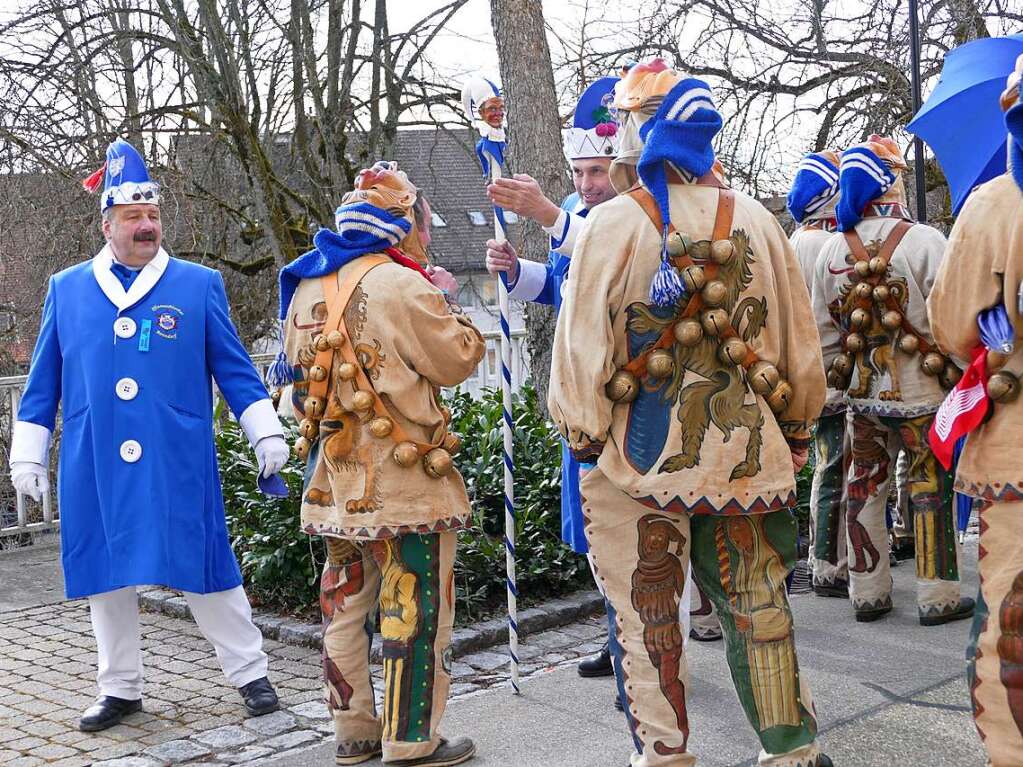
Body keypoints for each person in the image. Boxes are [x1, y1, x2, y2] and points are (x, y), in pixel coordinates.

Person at [548, 58, 831, 767]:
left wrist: (582, 436)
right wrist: (795, 431)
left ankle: (666, 756)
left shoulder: (608, 226)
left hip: (633, 461)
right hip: (747, 454)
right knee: (757, 605)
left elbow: (580, 354)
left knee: (645, 618)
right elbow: (799, 349)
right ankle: (790, 751)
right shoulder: (760, 221)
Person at [8, 139, 288, 731]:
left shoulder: (197, 285)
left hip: (175, 454)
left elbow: (236, 371)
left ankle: (251, 674)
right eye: (133, 216)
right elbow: (42, 382)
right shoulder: (68, 288)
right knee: (104, 571)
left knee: (204, 561)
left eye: (153, 215)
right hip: (94, 456)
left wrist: (265, 432)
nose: (146, 226)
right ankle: (121, 688)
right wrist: (28, 452)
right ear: (108, 223)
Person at [280, 161, 484, 767]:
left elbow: (295, 391)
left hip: (335, 481)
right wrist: (448, 299)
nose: (427, 233)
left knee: (344, 607)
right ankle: (410, 741)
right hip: (404, 482)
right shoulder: (403, 285)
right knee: (412, 609)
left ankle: (355, 733)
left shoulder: (306, 289)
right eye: (422, 222)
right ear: (402, 225)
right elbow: (458, 359)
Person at [811, 136, 973, 625]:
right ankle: (936, 594)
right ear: (892, 183)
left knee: (865, 485)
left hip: (862, 397)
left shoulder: (831, 250)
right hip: (924, 393)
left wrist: (837, 385)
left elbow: (823, 333)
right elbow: (951, 316)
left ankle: (868, 591)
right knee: (928, 484)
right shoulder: (926, 241)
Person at [927, 55, 1023, 766]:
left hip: (1012, 448)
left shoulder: (990, 205)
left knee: (1007, 618)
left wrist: (995, 331)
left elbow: (954, 324)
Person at [786, 151, 850, 598]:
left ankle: (818, 557)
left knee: (820, 466)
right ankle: (827, 562)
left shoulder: (794, 240)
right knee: (833, 468)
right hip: (828, 372)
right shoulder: (822, 246)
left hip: (801, 372)